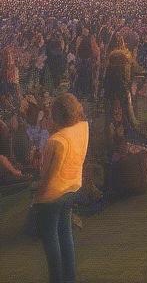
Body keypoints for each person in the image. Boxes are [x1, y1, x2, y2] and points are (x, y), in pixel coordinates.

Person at [34, 93, 89, 283]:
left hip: (52, 195)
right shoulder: (82, 128)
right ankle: (69, 278)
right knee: (66, 234)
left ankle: (57, 279)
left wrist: (37, 197)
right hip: (72, 187)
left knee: (51, 240)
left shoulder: (56, 141)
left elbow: (47, 176)